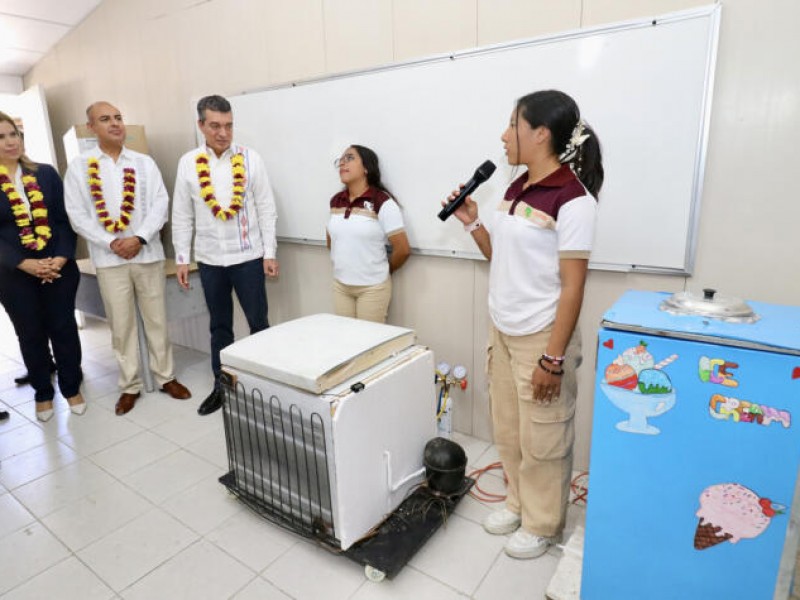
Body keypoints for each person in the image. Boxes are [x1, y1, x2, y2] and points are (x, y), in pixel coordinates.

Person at [445, 90, 603, 559]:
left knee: (544, 436)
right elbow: (504, 260)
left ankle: (543, 523)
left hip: (541, 335)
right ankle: (517, 503)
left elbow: (572, 288)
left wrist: (552, 359)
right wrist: (474, 225)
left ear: (541, 133)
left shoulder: (573, 199)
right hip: (503, 328)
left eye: (511, 125)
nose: (503, 135)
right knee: (510, 431)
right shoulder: (514, 188)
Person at [64, 101, 191, 416]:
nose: (115, 123)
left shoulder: (143, 162)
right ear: (91, 128)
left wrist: (140, 238)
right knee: (121, 327)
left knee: (157, 320)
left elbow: (161, 202)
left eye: (118, 118)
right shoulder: (80, 167)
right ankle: (130, 386)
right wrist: (112, 241)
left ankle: (166, 377)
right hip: (109, 261)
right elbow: (77, 215)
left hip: (147, 254)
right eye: (105, 119)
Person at [172, 95, 279, 416]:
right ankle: (222, 385)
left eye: (228, 125)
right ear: (201, 125)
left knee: (259, 323)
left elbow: (265, 207)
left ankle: (267, 387)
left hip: (248, 257)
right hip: (209, 261)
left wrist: (269, 252)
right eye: (215, 125)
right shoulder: (188, 163)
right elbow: (181, 212)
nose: (223, 132)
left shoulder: (250, 159)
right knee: (220, 327)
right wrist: (181, 256)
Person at [0, 111, 85, 421]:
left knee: (63, 328)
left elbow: (64, 220)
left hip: (58, 268)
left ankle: (71, 387)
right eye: (1, 137)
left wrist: (60, 258)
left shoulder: (46, 173)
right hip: (13, 275)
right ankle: (42, 392)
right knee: (30, 333)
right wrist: (25, 264)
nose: (10, 142)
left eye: (13, 134)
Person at [326, 145, 410, 323]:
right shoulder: (336, 200)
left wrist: (384, 270)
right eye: (340, 161)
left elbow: (402, 249)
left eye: (349, 158)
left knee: (369, 344)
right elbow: (331, 240)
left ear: (366, 168)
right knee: (345, 341)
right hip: (341, 285)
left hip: (372, 288)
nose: (342, 163)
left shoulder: (382, 201)